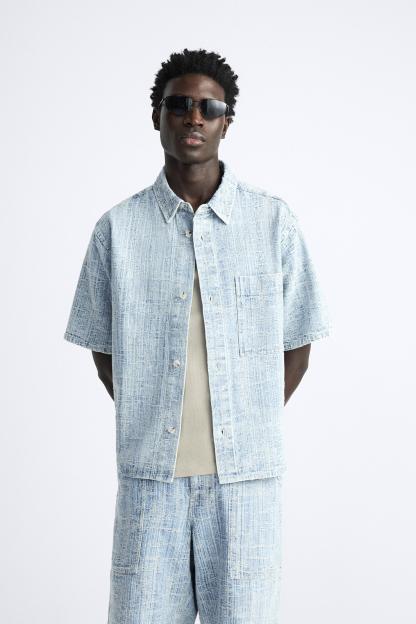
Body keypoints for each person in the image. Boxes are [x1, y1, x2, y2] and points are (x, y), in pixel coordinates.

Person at [64, 47, 332, 624]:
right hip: (149, 481)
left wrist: (244, 417)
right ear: (156, 116)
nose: (193, 117)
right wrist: (156, 409)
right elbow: (103, 347)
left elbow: (298, 342)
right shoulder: (117, 230)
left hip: (247, 484)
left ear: (226, 121)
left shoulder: (272, 223)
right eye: (178, 104)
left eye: (208, 108)